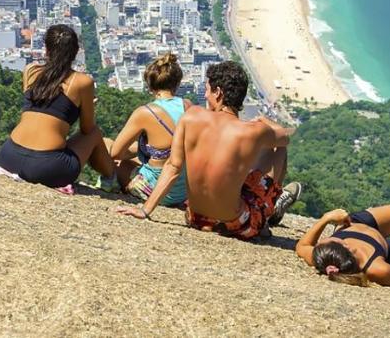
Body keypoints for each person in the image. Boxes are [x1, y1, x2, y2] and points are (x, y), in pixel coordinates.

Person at [116, 60, 301, 240]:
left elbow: (173, 167)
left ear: (218, 93)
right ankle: (266, 216)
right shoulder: (253, 132)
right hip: (236, 224)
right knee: (278, 150)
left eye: (207, 89)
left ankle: (263, 211)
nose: (205, 95)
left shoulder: (191, 117)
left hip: (196, 217)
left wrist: (145, 210)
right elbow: (285, 137)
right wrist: (265, 122)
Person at [0, 24, 116, 189]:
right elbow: (87, 129)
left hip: (9, 156)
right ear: (75, 52)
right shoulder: (82, 82)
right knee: (95, 133)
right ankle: (111, 179)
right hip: (47, 167)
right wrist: (85, 107)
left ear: (46, 50)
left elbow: (38, 111)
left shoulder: (30, 71)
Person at [107, 52, 190, 206]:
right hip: (183, 191)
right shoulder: (188, 106)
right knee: (142, 156)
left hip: (157, 192)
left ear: (150, 85)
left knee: (111, 151)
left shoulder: (145, 113)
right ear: (177, 84)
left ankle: (107, 187)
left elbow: (115, 153)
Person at [295, 204, 390, 287]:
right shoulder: (377, 268)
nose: (325, 240)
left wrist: (327, 218)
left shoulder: (322, 256)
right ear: (349, 249)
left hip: (357, 223)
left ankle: (373, 212)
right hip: (387, 250)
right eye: (336, 240)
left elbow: (302, 246)